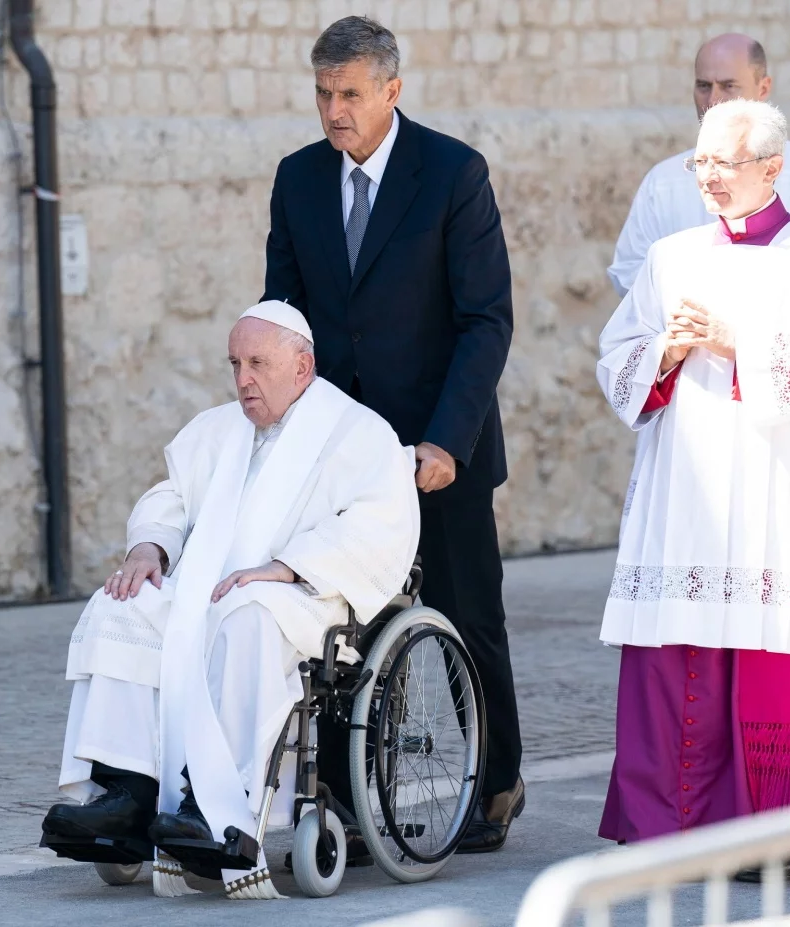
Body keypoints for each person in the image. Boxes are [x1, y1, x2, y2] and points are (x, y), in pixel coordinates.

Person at [41, 301, 420, 900]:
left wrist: (288, 565)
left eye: (258, 363)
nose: (243, 378)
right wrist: (149, 548)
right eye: (236, 363)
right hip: (202, 591)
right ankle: (123, 794)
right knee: (122, 605)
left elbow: (380, 527)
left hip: (300, 599)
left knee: (247, 617)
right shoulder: (217, 429)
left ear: (303, 366)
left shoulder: (359, 434)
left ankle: (214, 806)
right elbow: (169, 498)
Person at [595, 100, 790, 880]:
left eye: (724, 163)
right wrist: (665, 348)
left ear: (774, 167)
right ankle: (672, 827)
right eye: (700, 164)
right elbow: (616, 355)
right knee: (677, 658)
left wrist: (737, 344)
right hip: (686, 495)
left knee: (765, 656)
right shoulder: (672, 255)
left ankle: (768, 830)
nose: (709, 177)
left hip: (779, 498)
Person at [261, 16, 522, 853]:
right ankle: (341, 793)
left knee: (467, 613)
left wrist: (447, 440)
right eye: (322, 94)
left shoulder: (452, 173)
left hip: (439, 444)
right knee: (343, 620)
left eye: (349, 95)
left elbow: (485, 321)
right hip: (341, 455)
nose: (333, 111)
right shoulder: (298, 179)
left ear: (391, 92)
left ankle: (497, 781)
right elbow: (286, 317)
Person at [607, 33, 790, 298]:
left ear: (763, 89)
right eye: (704, 86)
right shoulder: (662, 182)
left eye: (728, 86)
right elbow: (629, 269)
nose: (713, 100)